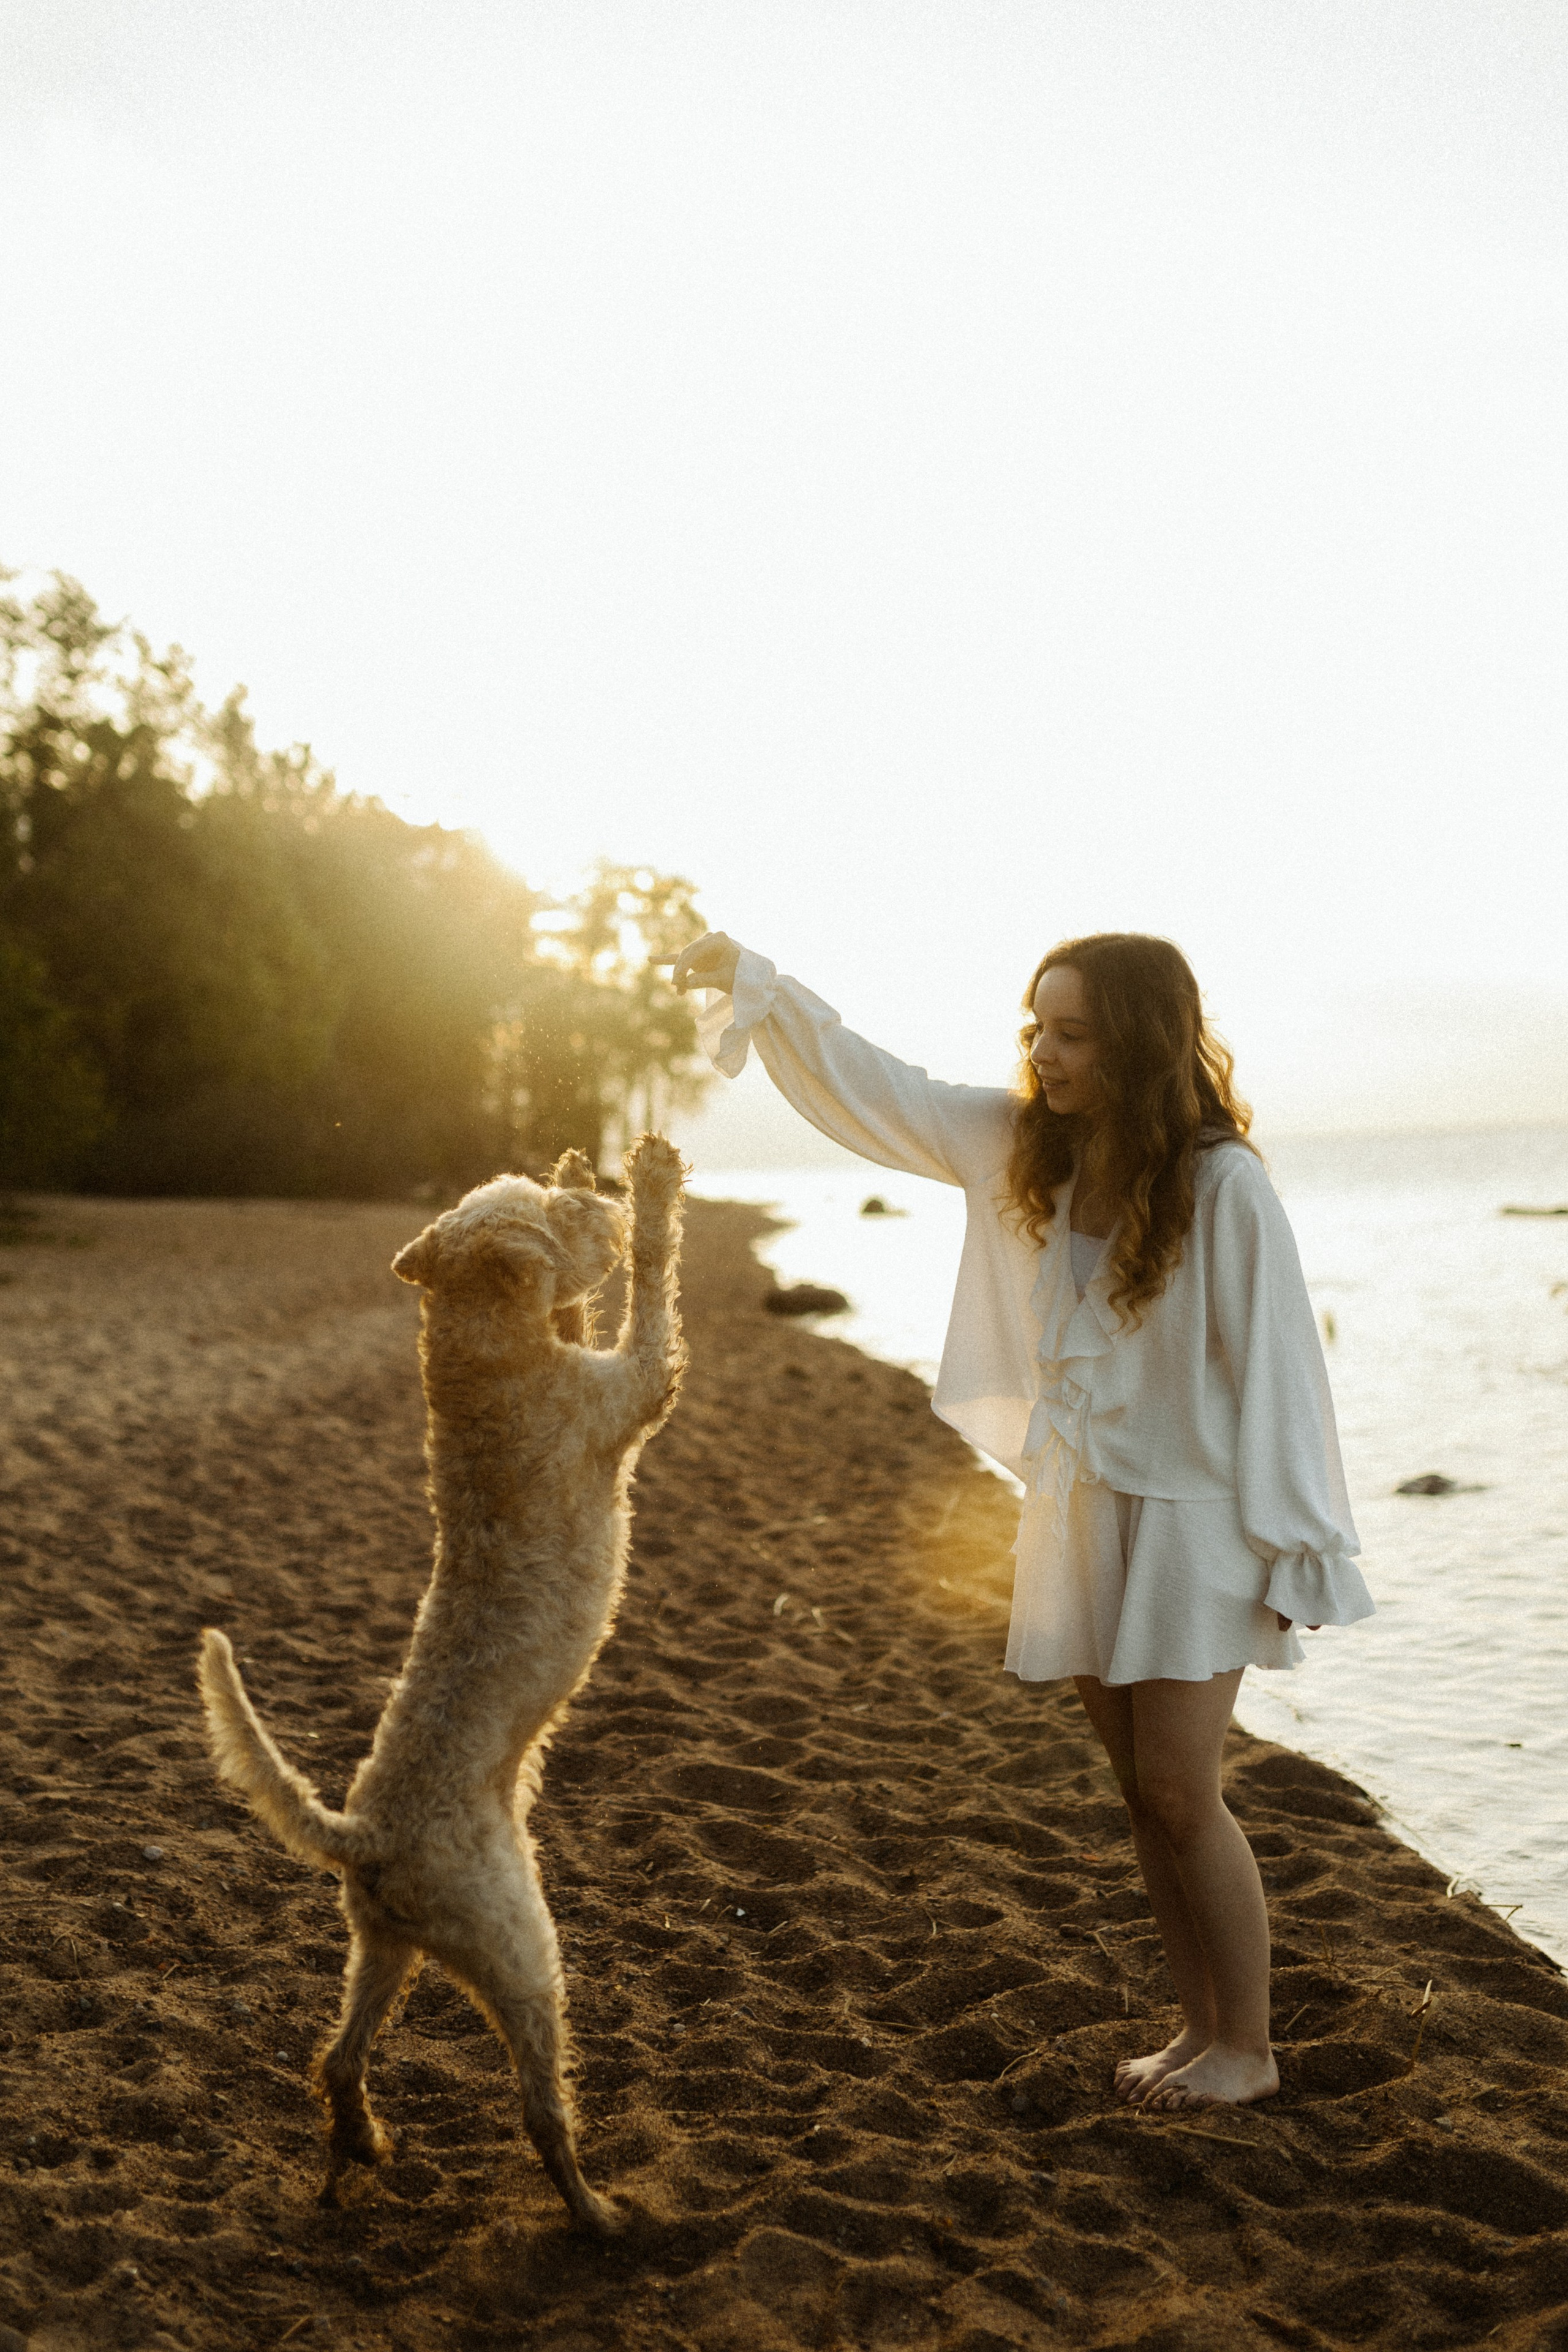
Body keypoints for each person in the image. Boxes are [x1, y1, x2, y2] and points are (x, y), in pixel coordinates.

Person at [671, 929, 1373, 2111]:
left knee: (1184, 1791)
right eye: (1036, 1027)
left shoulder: (1224, 1183)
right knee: (1140, 1795)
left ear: (1141, 1041)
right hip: (1080, 1512)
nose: (1042, 1053)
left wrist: (1297, 1543)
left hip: (1195, 1525)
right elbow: (878, 1091)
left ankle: (1248, 2045)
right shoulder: (1019, 1147)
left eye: (1072, 1033)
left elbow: (1284, 1373)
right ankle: (1198, 2031)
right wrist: (765, 987)